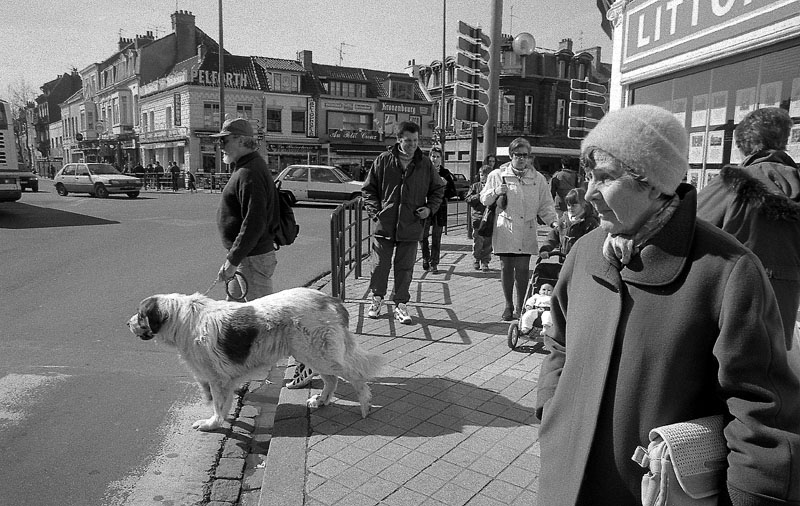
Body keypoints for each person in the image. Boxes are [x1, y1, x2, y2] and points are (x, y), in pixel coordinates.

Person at [535, 105, 800, 506]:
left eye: (605, 177)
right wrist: (551, 409)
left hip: (654, 492)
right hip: (562, 478)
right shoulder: (587, 250)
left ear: (653, 183)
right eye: (589, 176)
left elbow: (761, 412)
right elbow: (558, 341)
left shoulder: (729, 271)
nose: (589, 193)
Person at [697, 107, 800, 350]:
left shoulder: (733, 181)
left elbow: (687, 226)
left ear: (744, 145)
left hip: (734, 303)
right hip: (783, 311)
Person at [362, 121, 444, 325]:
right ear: (398, 140)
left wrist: (429, 209)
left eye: (416, 140)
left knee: (405, 268)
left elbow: (438, 189)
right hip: (385, 224)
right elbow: (368, 189)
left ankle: (401, 304)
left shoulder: (424, 163)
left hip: (411, 224)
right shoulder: (383, 160)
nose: (413, 145)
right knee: (380, 266)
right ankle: (377, 299)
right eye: (408, 141)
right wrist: (376, 213)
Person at [480, 137, 558, 321]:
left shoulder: (537, 178)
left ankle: (522, 305)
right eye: (518, 155)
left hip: (526, 228)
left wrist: (554, 223)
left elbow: (545, 205)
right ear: (510, 155)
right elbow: (484, 199)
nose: (522, 159)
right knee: (506, 267)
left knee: (523, 269)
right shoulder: (497, 175)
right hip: (506, 227)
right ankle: (508, 305)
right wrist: (496, 191)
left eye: (526, 155)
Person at [211, 117, 279, 302]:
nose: (220, 145)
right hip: (247, 255)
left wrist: (233, 260)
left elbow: (254, 222)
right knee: (233, 314)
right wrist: (233, 259)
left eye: (224, 140)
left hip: (251, 257)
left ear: (241, 140)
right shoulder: (246, 167)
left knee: (263, 319)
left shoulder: (250, 171)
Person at [419, 146, 456, 274]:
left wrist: (445, 185)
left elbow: (453, 193)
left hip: (439, 209)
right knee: (422, 236)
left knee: (436, 237)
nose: (434, 159)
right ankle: (425, 258)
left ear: (441, 159)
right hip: (425, 208)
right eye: (433, 156)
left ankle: (434, 263)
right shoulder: (423, 171)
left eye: (437, 156)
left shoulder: (445, 173)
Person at [539, 187, 599, 259]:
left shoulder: (590, 223)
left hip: (581, 261)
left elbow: (593, 244)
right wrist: (545, 249)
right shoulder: (564, 220)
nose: (570, 208)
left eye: (574, 205)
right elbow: (553, 236)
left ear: (584, 204)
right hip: (564, 259)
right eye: (568, 205)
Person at [465, 164, 493, 271]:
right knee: (477, 240)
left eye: (486, 175)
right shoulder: (475, 186)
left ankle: (485, 261)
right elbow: (468, 198)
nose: (483, 177)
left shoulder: (493, 187)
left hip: (489, 218)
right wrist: (479, 195)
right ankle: (476, 258)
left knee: (488, 242)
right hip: (477, 218)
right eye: (482, 175)